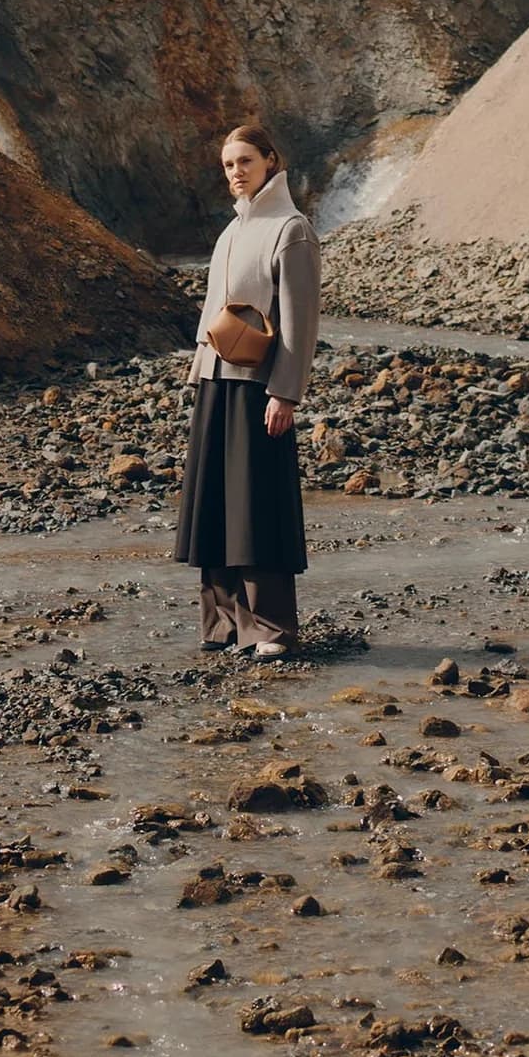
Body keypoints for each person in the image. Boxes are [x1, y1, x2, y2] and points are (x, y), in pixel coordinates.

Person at [173, 122, 321, 657]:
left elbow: (300, 322)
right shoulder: (231, 232)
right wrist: (198, 375)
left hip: (259, 390)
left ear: (270, 161)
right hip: (216, 385)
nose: (235, 172)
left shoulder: (291, 229)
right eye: (228, 165)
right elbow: (213, 314)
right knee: (215, 505)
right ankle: (225, 625)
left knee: (257, 506)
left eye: (244, 162)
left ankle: (272, 629)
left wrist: (286, 393)